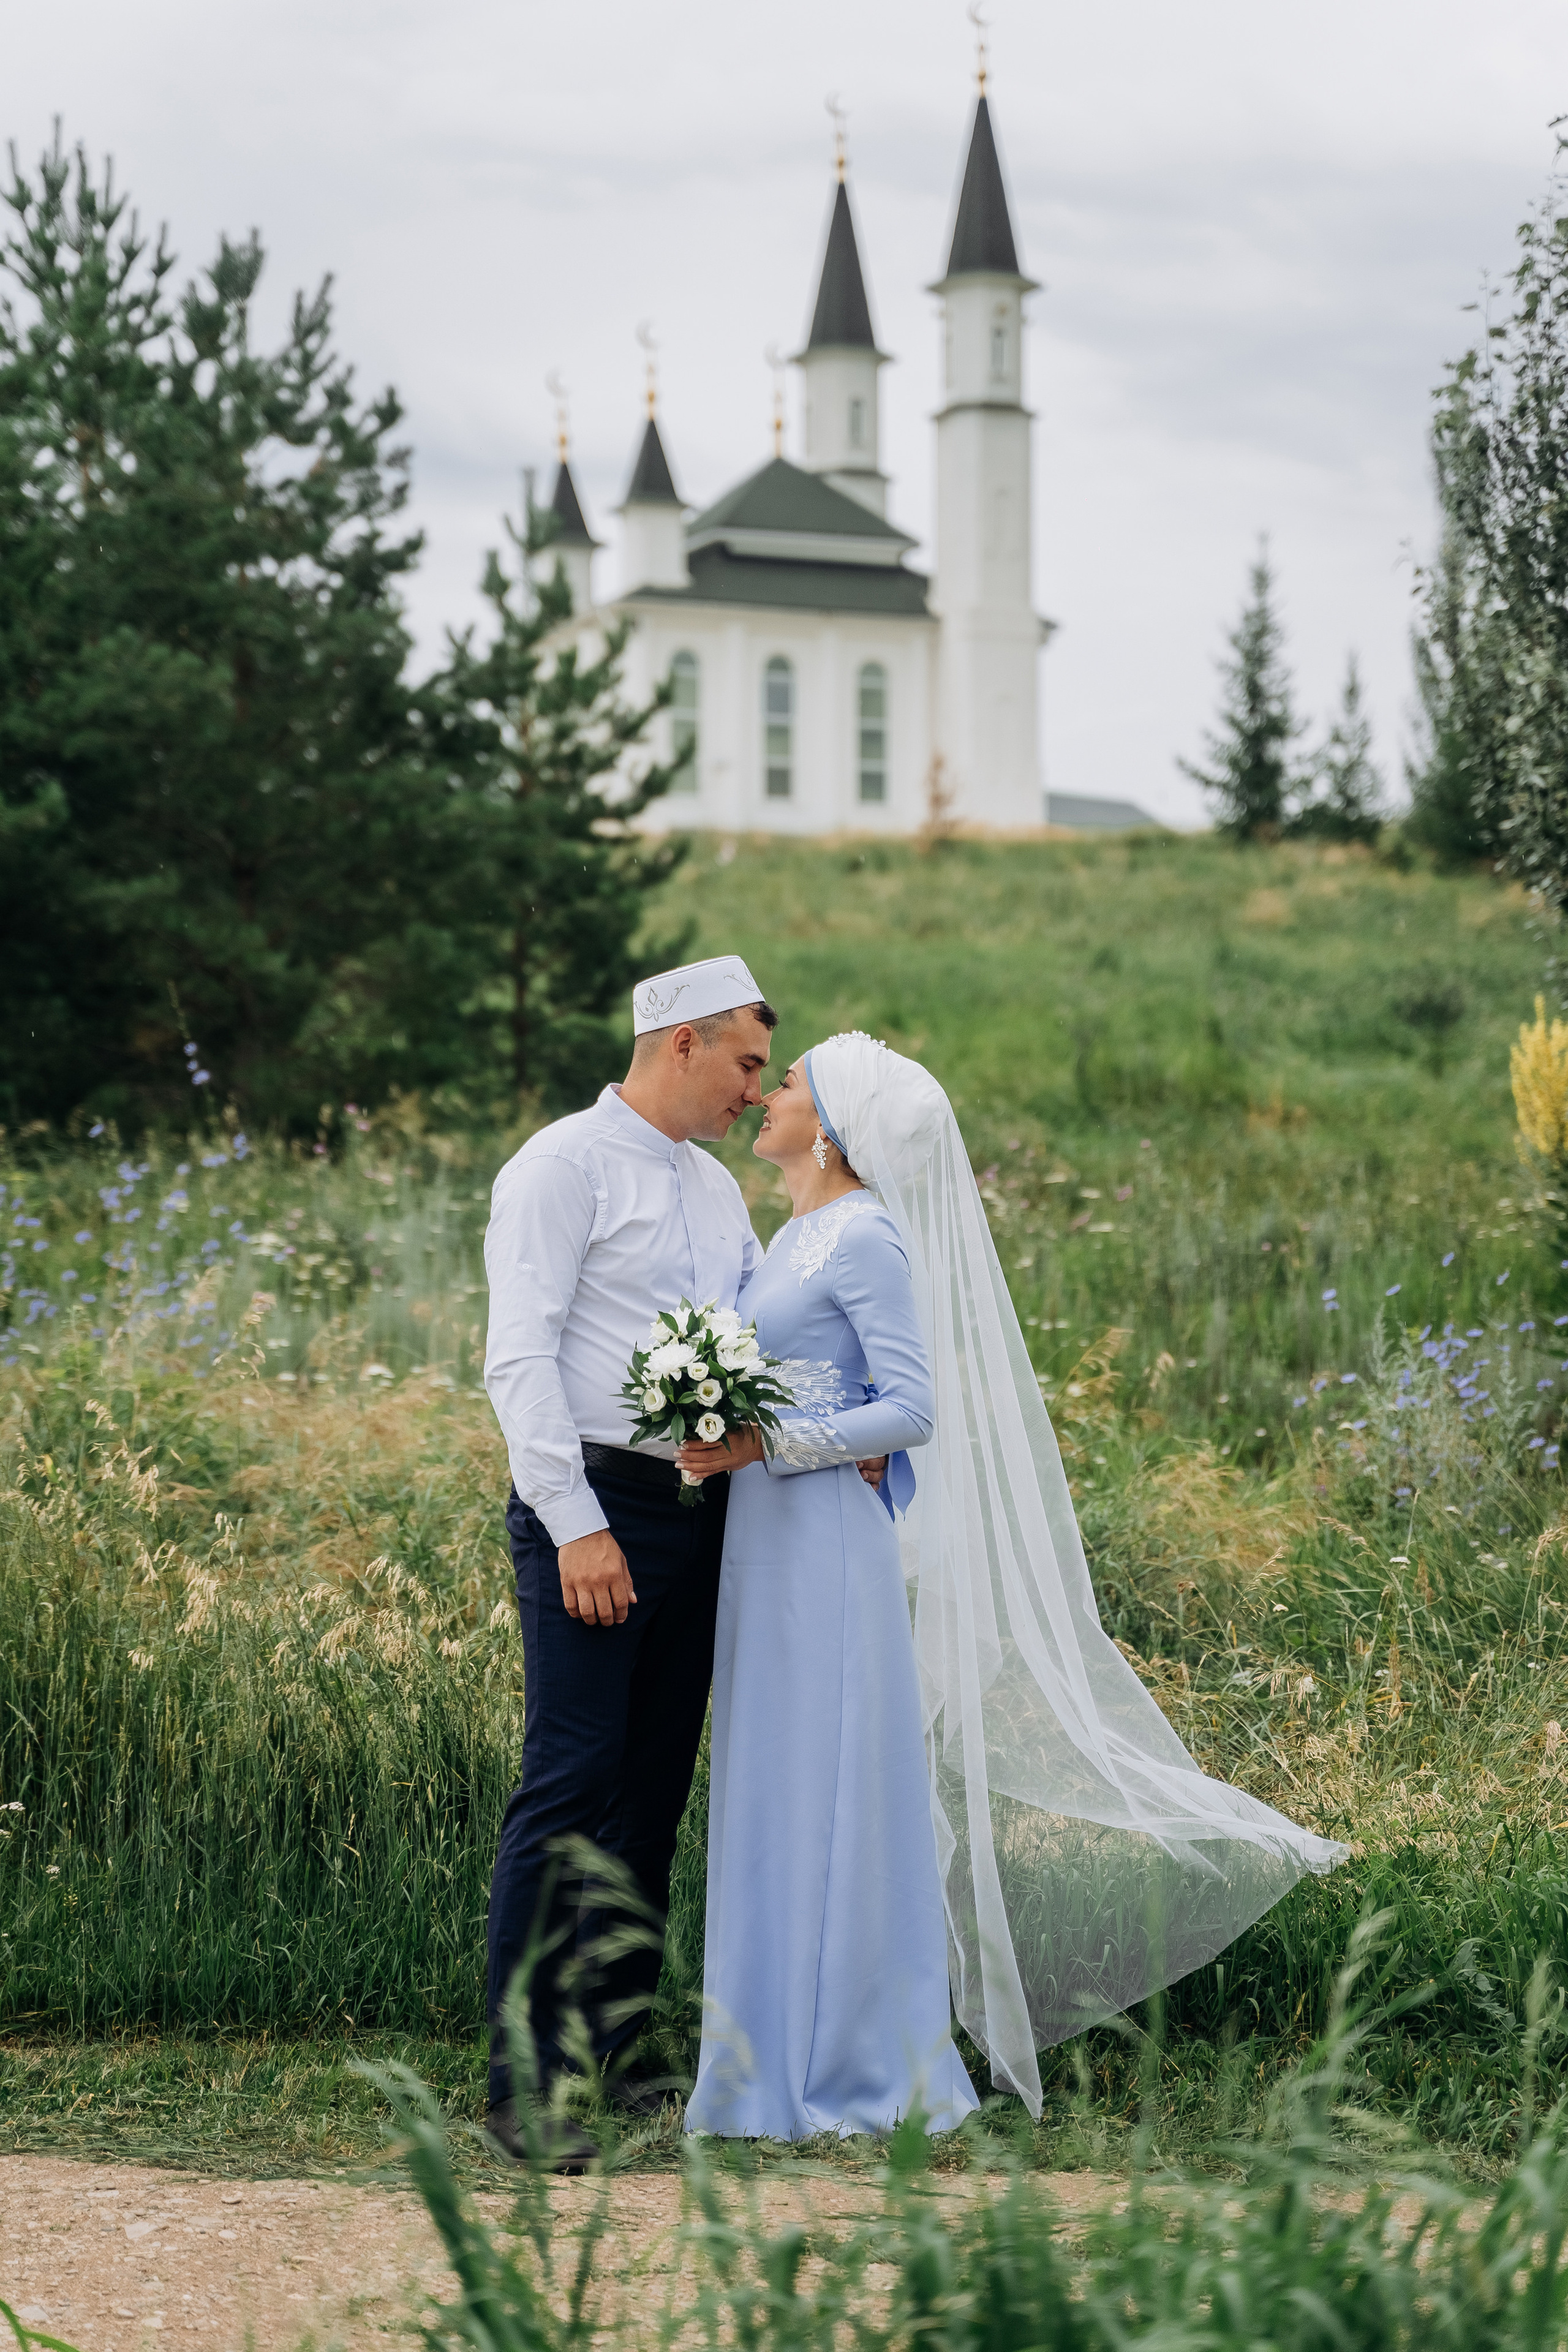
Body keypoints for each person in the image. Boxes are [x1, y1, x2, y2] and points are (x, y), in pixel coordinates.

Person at [678, 1034, 1346, 2137]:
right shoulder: (788, 1236)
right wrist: (707, 1433)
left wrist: (769, 1443)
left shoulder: (866, 1238)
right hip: (765, 1546)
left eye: (789, 1081)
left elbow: (913, 1410)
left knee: (837, 1787)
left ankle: (850, 2063)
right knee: (775, 1786)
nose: (771, 1094)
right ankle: (757, 2061)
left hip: (826, 1545)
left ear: (835, 1126)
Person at [481, 956, 776, 2169]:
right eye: (747, 1065)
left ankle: (613, 2040)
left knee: (653, 1786)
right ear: (680, 1043)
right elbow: (518, 1355)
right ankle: (523, 2077)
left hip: (701, 1513)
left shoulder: (712, 1189)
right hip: (595, 1505)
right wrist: (575, 1523)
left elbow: (750, 1332)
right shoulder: (558, 1166)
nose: (756, 1093)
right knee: (570, 1784)